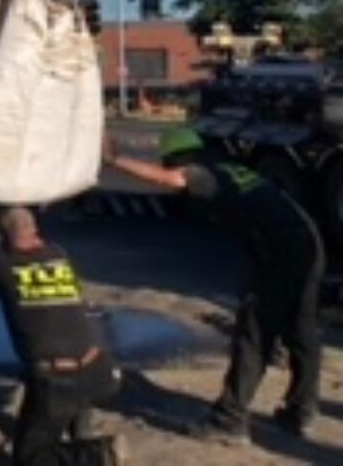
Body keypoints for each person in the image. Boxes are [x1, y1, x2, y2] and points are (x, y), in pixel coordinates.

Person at [105, 127, 324, 443]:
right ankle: (301, 413)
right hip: (307, 242)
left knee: (253, 335)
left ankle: (230, 420)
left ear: (179, 157)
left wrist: (115, 160)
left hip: (281, 251)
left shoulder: (204, 173)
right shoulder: (231, 170)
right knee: (301, 330)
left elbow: (173, 179)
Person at [0, 199, 127, 465]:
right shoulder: (57, 254)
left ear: (1, 236)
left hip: (57, 381)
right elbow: (23, 231)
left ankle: (97, 454)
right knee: (53, 376)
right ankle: (80, 432)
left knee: (29, 459)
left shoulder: (2, 266)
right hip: (100, 370)